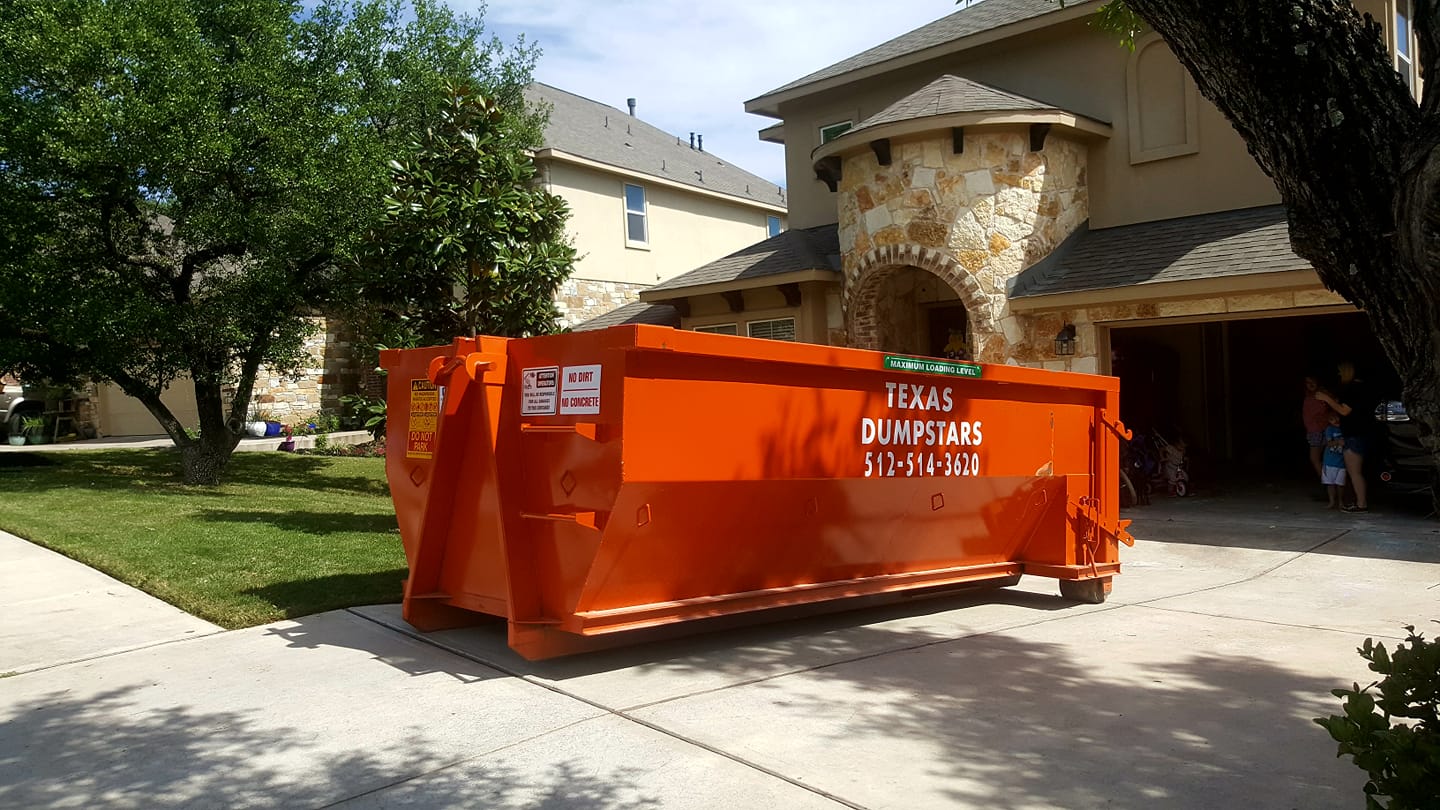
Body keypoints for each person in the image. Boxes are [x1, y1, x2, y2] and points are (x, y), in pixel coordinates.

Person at [1314, 361, 1377, 512]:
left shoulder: (1354, 389)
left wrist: (1326, 398)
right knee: (1355, 472)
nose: (1339, 375)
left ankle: (1361, 504)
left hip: (1355, 434)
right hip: (1360, 433)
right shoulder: (1364, 388)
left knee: (1355, 472)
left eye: (1341, 372)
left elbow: (1344, 411)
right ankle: (1359, 502)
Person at [1301, 375, 1331, 482]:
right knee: (1317, 459)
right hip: (1313, 430)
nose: (1310, 384)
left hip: (1321, 430)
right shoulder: (1308, 396)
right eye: (1308, 382)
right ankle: (1328, 483)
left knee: (1317, 458)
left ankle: (1329, 484)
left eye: (1312, 381)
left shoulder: (1322, 394)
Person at [1320, 411, 1346, 509]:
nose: (1336, 420)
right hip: (1329, 462)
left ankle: (1341, 502)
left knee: (1340, 484)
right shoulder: (1329, 429)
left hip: (1342, 462)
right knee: (1330, 484)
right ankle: (1332, 501)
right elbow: (1329, 443)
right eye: (1332, 419)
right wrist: (1338, 442)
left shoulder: (1345, 429)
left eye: (1337, 418)